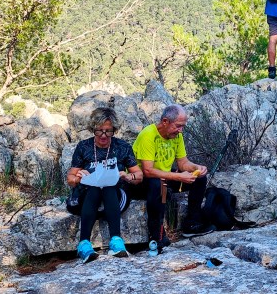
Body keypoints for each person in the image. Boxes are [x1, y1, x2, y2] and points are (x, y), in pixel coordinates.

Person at [126, 104, 214, 253]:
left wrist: (196, 168)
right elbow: (147, 171)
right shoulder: (148, 135)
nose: (181, 130)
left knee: (199, 179)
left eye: (183, 126)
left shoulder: (176, 136)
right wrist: (178, 176)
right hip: (140, 182)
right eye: (178, 126)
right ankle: (157, 235)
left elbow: (183, 163)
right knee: (159, 185)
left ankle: (192, 223)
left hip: (163, 177)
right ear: (165, 121)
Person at [67, 107, 144, 263]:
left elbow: (139, 176)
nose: (103, 135)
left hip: (115, 196)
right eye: (99, 131)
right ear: (93, 129)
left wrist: (128, 176)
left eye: (108, 131)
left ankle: (116, 242)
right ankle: (84, 245)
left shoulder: (122, 147)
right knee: (95, 188)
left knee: (108, 186)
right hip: (88, 196)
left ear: (114, 130)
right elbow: (70, 178)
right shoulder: (84, 147)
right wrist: (78, 177)